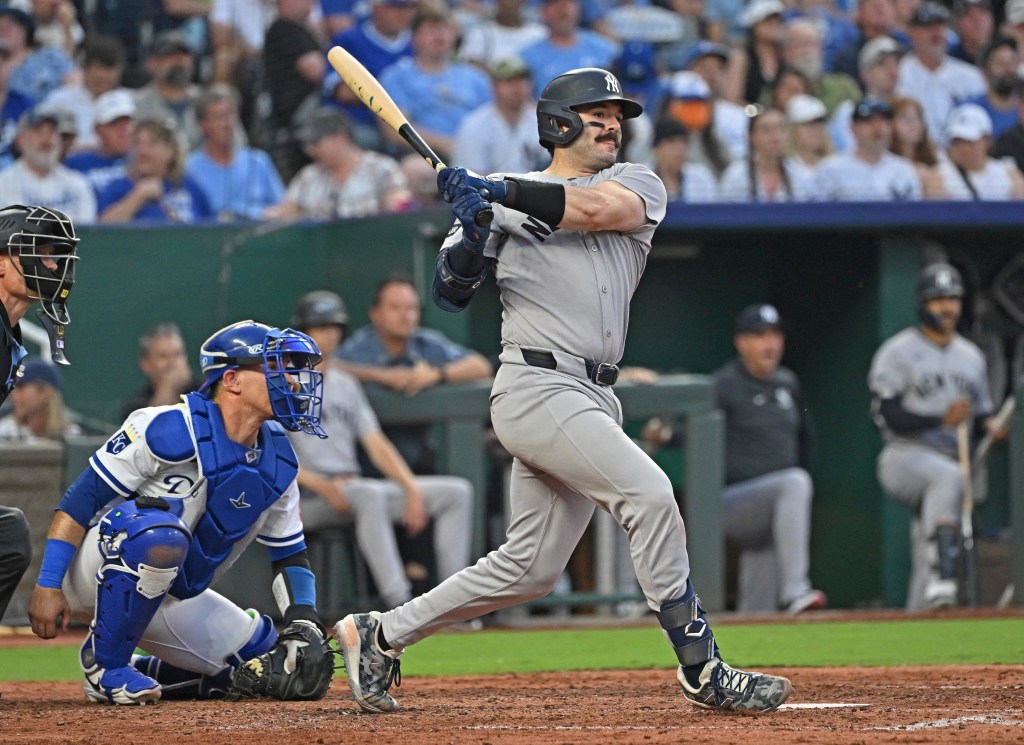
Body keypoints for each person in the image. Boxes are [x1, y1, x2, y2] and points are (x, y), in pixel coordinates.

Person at [334, 67, 795, 715]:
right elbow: (449, 290)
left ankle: (380, 633)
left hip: (595, 393)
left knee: (531, 567)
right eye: (596, 111)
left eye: (617, 114)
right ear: (558, 122)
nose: (612, 123)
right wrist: (471, 229)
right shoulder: (499, 201)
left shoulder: (636, 182)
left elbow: (594, 210)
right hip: (534, 384)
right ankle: (702, 665)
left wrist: (494, 189)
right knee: (650, 492)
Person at [27, 319, 333, 704]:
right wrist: (49, 583)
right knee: (158, 532)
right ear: (233, 379)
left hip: (174, 593)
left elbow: (290, 553)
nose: (291, 381)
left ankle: (146, 669)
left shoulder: (278, 461)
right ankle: (106, 667)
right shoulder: (167, 426)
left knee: (280, 672)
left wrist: (303, 621)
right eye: (276, 367)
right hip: (99, 570)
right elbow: (79, 502)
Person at [287, 290, 474, 609]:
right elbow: (270, 454)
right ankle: (400, 603)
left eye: (333, 327)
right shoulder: (284, 383)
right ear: (302, 332)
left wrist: (410, 488)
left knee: (456, 492)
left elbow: (376, 444)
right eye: (319, 327)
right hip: (307, 498)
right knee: (368, 494)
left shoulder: (346, 383)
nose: (328, 335)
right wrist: (319, 483)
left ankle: (452, 605)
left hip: (352, 489)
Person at [646, 304, 826, 614]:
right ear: (742, 343)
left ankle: (752, 633)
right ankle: (796, 589)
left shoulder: (787, 383)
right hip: (729, 503)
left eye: (775, 335)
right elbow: (690, 430)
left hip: (773, 506)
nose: (770, 344)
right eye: (759, 336)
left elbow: (805, 440)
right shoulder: (725, 383)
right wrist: (664, 434)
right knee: (795, 482)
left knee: (762, 577)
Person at [868, 263, 1007, 610]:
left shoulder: (971, 357)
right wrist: (939, 418)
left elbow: (975, 419)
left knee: (926, 536)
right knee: (948, 478)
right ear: (922, 304)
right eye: (938, 299)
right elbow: (888, 414)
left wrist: (987, 425)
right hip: (904, 455)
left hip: (950, 459)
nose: (947, 307)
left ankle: (921, 617)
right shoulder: (897, 350)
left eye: (953, 299)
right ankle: (942, 582)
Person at [0, 204, 79, 625]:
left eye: (56, 254)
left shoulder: (9, 334)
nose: (52, 265)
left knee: (9, 536)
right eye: (39, 252)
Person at [335, 274, 493, 476]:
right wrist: (382, 376)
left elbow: (480, 366)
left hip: (419, 464)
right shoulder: (361, 346)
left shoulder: (425, 343)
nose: (405, 315)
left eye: (411, 308)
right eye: (395, 308)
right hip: (368, 467)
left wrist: (436, 375)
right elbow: (330, 366)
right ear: (375, 314)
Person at [377, 3, 492, 163]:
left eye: (446, 29)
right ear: (414, 37)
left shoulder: (476, 78)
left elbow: (494, 120)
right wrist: (447, 145)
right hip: (423, 157)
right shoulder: (396, 76)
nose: (440, 36)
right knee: (415, 170)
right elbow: (395, 131)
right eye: (432, 29)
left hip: (477, 155)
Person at [264, 107, 411, 221]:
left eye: (315, 143)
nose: (310, 150)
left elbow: (399, 206)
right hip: (321, 254)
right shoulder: (308, 176)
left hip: (372, 250)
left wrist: (396, 203)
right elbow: (285, 213)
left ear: (339, 138)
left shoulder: (381, 168)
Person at [184, 84, 285, 222]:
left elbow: (284, 209)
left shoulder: (258, 161)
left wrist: (266, 214)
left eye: (230, 115)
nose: (227, 124)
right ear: (202, 124)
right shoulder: (189, 168)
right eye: (219, 117)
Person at [895, 2, 986, 146]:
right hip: (915, 152)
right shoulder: (898, 73)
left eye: (940, 26)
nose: (935, 33)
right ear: (911, 32)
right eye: (928, 27)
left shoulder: (970, 76)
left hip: (962, 153)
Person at [97, 117, 214, 224]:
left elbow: (211, 230)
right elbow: (102, 232)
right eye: (137, 143)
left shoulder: (188, 187)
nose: (143, 152)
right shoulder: (117, 188)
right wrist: (138, 196)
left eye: (152, 144)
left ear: (170, 151)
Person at [451, 56, 550, 176]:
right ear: (494, 87)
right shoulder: (475, 124)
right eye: (510, 82)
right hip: (487, 192)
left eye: (523, 81)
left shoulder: (541, 120)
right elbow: (470, 179)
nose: (518, 88)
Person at [0, 109, 97, 224]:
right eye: (38, 132)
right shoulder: (5, 184)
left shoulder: (77, 183)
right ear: (20, 141)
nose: (46, 139)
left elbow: (87, 231)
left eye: (52, 132)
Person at [816, 97, 922, 200]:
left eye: (883, 121)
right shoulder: (831, 169)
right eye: (868, 121)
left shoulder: (903, 170)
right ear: (853, 129)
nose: (877, 127)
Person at [39, 35, 127, 154]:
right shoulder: (59, 100)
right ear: (84, 69)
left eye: (109, 81)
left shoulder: (127, 101)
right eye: (98, 81)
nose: (104, 85)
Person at [719, 106, 816, 201]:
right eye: (766, 130)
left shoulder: (801, 176)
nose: (775, 137)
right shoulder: (736, 176)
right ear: (751, 136)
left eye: (780, 128)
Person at [132, 31, 205, 152]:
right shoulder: (135, 104)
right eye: (170, 55)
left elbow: (236, 148)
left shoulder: (208, 102)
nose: (179, 60)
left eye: (184, 55)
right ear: (152, 64)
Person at [937, 103, 1024, 199]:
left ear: (986, 141)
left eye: (970, 141)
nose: (964, 148)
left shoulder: (1009, 175)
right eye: (957, 141)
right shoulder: (939, 178)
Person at [120, 323, 201, 420]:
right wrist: (168, 389)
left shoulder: (206, 392)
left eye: (178, 354)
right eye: (164, 356)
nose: (173, 362)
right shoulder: (135, 409)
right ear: (145, 364)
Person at [65, 88, 135, 198]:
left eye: (127, 122)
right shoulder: (77, 163)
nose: (123, 131)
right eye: (114, 124)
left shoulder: (144, 160)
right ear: (97, 129)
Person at [0, 357, 80, 441]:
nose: (13, 394)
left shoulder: (72, 436)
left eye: (20, 388)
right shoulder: (5, 432)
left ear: (44, 393)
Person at [961, 36, 1021, 139]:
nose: (1008, 69)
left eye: (1012, 63)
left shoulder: (1021, 107)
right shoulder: (970, 110)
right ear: (985, 73)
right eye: (1000, 64)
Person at [888, 95, 947, 198]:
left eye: (918, 118)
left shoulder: (937, 157)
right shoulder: (882, 163)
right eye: (906, 119)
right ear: (890, 124)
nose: (914, 125)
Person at [650, 117, 719, 202]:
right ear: (657, 148)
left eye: (683, 142)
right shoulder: (641, 180)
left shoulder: (701, 178)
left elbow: (712, 212)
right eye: (671, 142)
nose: (679, 148)